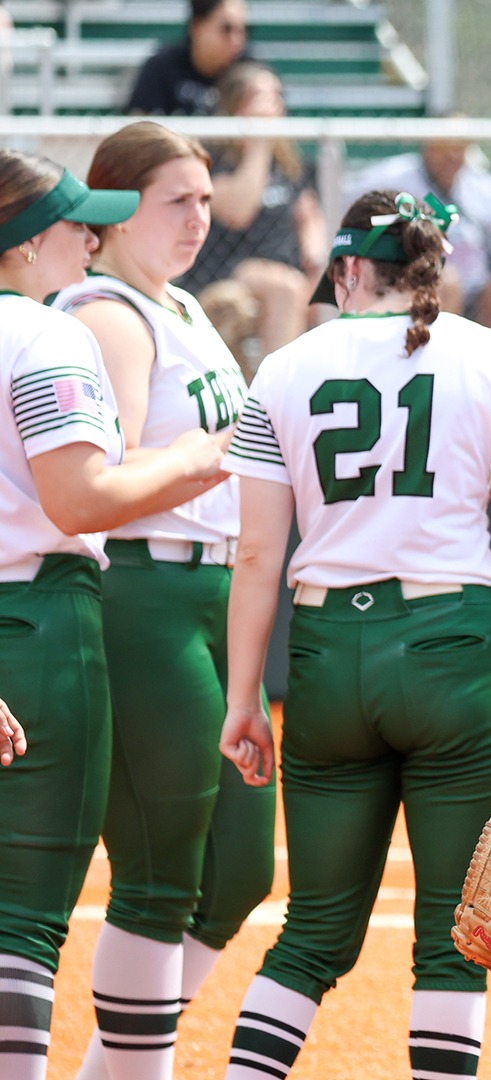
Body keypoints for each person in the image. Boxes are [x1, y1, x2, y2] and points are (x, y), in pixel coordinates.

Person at [216, 189, 491, 1080]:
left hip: (327, 650)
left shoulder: (285, 364)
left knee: (312, 932)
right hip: (453, 646)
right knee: (450, 936)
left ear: (352, 269)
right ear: (433, 264)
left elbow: (255, 554)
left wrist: (245, 698)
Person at [49, 121, 273, 1080]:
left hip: (212, 585)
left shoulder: (176, 303)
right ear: (113, 206)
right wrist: (200, 462)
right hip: (143, 585)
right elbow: (104, 474)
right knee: (161, 869)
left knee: (237, 871)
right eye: (176, 199)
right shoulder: (104, 312)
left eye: (206, 202)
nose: (197, 218)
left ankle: (114, 1066)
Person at [0, 151, 228, 1080]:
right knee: (21, 916)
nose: (87, 242)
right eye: (72, 225)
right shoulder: (47, 334)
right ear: (22, 243)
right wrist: (197, 460)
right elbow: (82, 499)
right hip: (36, 625)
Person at [348, 128, 491, 372]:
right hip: (418, 285)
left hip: (480, 291)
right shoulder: (390, 180)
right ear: (429, 144)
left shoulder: (483, 186)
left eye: (460, 146)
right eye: (445, 144)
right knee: (446, 281)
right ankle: (435, 384)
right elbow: (353, 216)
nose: (453, 154)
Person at [183, 62, 329, 365]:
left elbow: (308, 216)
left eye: (278, 96)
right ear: (236, 106)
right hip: (229, 267)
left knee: (304, 285)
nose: (274, 105)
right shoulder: (215, 158)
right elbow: (238, 213)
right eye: (261, 97)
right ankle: (275, 399)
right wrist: (258, 146)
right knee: (285, 287)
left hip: (285, 268)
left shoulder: (288, 164)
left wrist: (317, 265)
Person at [125, 0, 250, 117]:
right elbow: (141, 127)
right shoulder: (161, 66)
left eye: (243, 30)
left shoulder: (250, 72)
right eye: (226, 29)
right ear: (197, 27)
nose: (237, 40)